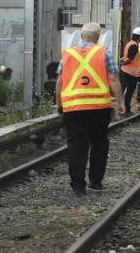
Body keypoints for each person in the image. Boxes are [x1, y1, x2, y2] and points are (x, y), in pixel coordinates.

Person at [56, 22, 125, 194]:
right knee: (99, 143)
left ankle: (78, 185)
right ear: (98, 36)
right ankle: (95, 180)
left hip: (73, 108)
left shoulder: (68, 54)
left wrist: (59, 104)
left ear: (81, 36)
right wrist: (121, 102)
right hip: (98, 107)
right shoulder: (103, 52)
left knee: (76, 144)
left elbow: (59, 82)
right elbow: (113, 78)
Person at [119, 27, 140, 116]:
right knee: (130, 90)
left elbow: (126, 57)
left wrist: (121, 61)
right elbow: (129, 59)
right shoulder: (133, 46)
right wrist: (122, 62)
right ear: (139, 37)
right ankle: (127, 109)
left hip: (132, 72)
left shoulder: (129, 44)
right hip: (132, 72)